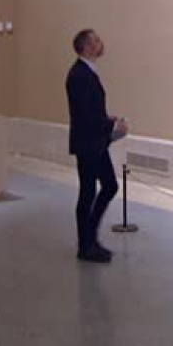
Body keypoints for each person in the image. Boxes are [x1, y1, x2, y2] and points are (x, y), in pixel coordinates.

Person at [66, 29, 129, 263]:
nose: (101, 44)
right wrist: (112, 126)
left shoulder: (87, 73)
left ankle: (90, 237)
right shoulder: (79, 75)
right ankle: (86, 244)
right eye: (96, 41)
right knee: (88, 192)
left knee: (109, 186)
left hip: (95, 143)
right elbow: (86, 115)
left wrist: (108, 121)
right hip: (88, 144)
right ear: (86, 47)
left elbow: (92, 111)